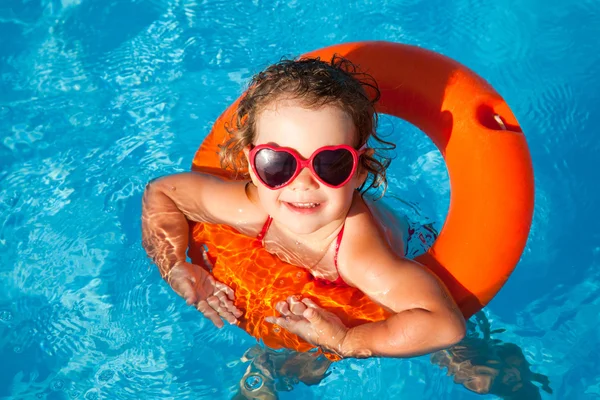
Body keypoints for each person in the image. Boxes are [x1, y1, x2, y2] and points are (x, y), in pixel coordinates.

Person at [141, 55, 466, 359]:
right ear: (252, 166)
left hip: (406, 245)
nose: (303, 183)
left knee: (467, 356)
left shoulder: (359, 254)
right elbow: (162, 193)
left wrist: (344, 341)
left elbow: (442, 325)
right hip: (302, 282)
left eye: (331, 163)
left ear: (361, 170)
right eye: (278, 163)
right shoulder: (251, 206)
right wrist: (173, 266)